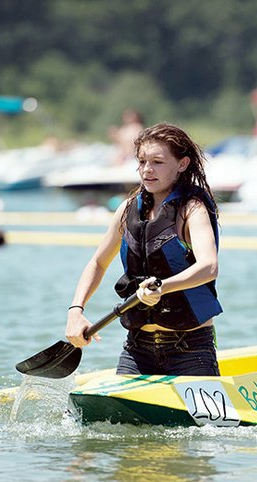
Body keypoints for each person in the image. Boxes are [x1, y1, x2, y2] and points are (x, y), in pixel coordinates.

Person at [65, 123, 222, 376]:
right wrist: (76, 310)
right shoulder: (128, 209)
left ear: (182, 164)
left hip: (189, 349)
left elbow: (209, 267)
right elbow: (98, 263)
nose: (147, 170)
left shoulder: (192, 209)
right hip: (137, 350)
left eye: (158, 162)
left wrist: (163, 287)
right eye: (142, 161)